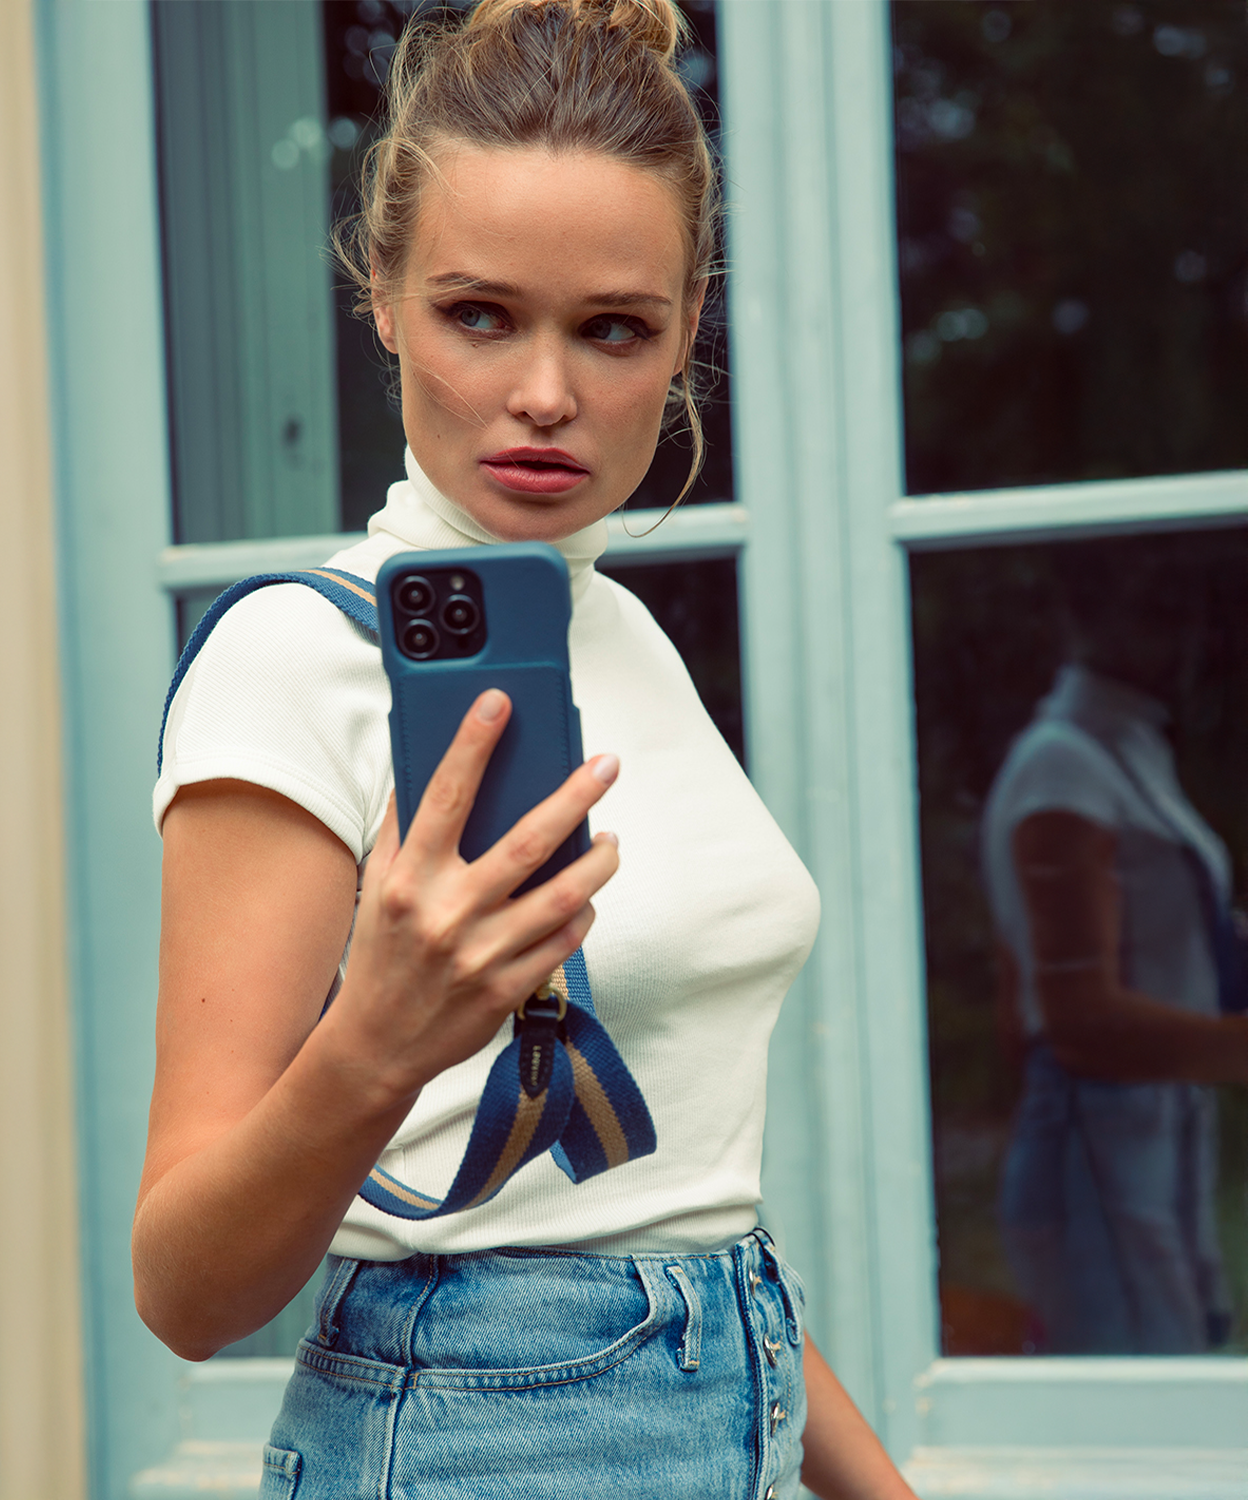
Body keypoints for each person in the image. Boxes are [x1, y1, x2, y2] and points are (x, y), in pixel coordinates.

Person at [136, 3, 922, 1494]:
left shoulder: (619, 635)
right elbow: (181, 1290)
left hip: (730, 1393)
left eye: (613, 328)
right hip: (465, 1435)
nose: (547, 395)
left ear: (687, 325)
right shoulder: (295, 661)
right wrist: (378, 1035)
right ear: (382, 296)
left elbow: (670, 1207)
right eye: (481, 314)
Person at [983, 539, 1248, 1353]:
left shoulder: (1126, 750)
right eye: (1153, 611)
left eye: (1186, 613)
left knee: (1179, 1363)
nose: (1182, 636)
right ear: (1082, 616)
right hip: (1098, 1138)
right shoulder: (1065, 764)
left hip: (1148, 1127)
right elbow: (1077, 1020)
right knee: (1137, 1387)